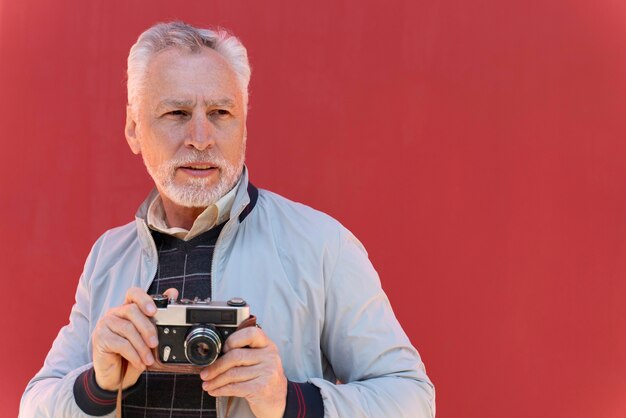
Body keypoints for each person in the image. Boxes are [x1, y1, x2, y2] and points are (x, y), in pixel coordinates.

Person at [20, 21, 435, 418]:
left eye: (220, 112)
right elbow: (33, 406)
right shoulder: (107, 258)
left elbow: (412, 400)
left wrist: (287, 400)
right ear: (133, 129)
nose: (201, 137)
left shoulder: (323, 245)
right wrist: (96, 385)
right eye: (177, 113)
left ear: (244, 125)